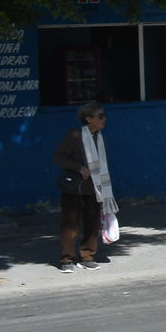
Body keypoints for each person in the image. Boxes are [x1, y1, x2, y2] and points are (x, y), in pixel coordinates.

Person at [53, 102, 114, 272]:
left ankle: (87, 256)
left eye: (104, 115)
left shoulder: (99, 137)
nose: (104, 119)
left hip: (94, 189)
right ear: (88, 119)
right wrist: (78, 168)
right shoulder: (75, 135)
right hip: (73, 188)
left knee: (92, 223)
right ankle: (67, 259)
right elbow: (59, 158)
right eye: (100, 116)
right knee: (69, 224)